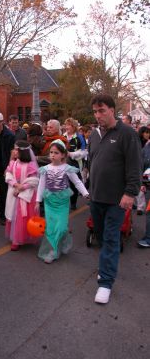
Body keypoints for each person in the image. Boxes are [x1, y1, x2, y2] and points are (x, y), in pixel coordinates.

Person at [89, 94, 141, 304]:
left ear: (112, 110)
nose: (98, 115)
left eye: (102, 110)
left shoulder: (127, 133)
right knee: (101, 237)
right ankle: (105, 268)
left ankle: (106, 283)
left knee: (111, 239)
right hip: (95, 197)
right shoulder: (94, 134)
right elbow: (93, 161)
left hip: (116, 200)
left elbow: (134, 166)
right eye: (95, 111)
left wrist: (130, 193)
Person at [36, 140, 89, 264]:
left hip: (62, 202)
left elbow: (77, 182)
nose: (53, 155)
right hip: (49, 201)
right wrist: (38, 201)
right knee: (51, 227)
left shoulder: (67, 168)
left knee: (61, 227)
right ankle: (52, 251)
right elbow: (41, 185)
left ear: (63, 155)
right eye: (51, 152)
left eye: (56, 153)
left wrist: (85, 193)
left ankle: (62, 242)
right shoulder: (45, 169)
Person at [5, 140, 40, 251]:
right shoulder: (14, 163)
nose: (14, 151)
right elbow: (8, 174)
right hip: (14, 192)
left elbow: (34, 180)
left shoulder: (31, 165)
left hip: (26, 194)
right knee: (13, 214)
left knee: (22, 216)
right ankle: (16, 238)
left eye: (16, 149)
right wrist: (15, 184)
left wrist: (22, 187)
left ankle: (20, 238)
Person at [64, 117, 87, 210]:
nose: (66, 127)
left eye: (68, 125)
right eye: (66, 125)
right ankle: (65, 202)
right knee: (64, 184)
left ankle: (73, 202)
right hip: (63, 164)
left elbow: (84, 152)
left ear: (73, 126)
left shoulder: (79, 137)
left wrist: (71, 154)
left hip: (75, 164)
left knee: (73, 184)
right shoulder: (63, 136)